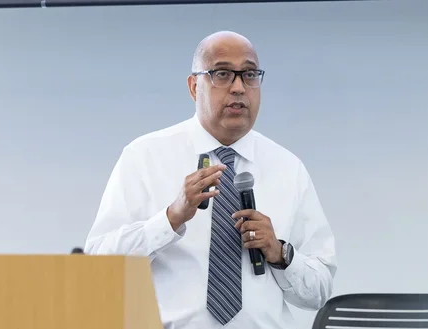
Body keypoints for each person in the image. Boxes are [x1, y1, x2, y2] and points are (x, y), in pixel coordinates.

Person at [84, 31, 337, 329]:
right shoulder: (144, 157)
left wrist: (280, 253)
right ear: (194, 86)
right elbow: (99, 268)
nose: (239, 88)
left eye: (250, 74)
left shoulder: (288, 168)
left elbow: (319, 292)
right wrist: (169, 220)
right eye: (222, 74)